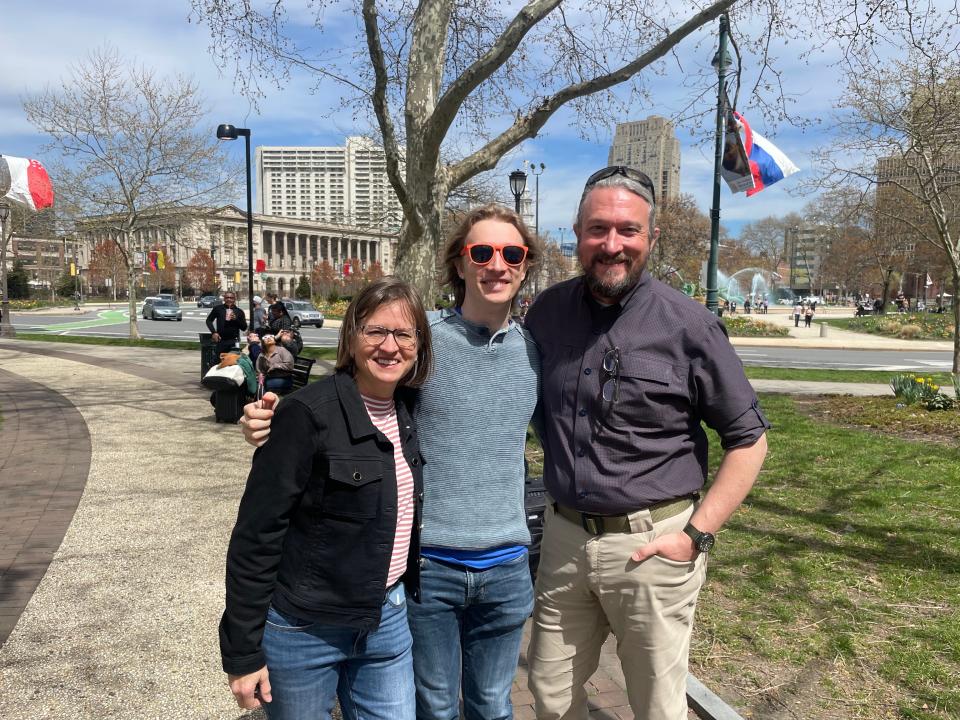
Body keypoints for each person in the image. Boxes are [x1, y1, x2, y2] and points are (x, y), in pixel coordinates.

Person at [241, 204, 545, 720]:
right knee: (435, 706)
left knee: (495, 705)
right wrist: (274, 415)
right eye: (483, 252)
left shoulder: (535, 352)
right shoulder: (419, 339)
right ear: (460, 263)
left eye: (511, 253)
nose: (498, 264)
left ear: (524, 264)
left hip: (509, 565)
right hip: (430, 566)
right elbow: (355, 396)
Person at [523, 165, 769, 720]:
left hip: (653, 546)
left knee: (657, 706)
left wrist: (696, 536)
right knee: (550, 694)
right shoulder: (546, 313)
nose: (612, 245)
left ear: (652, 238)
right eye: (598, 229)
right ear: (578, 232)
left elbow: (749, 440)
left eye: (628, 230)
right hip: (562, 540)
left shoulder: (690, 326)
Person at [220, 277, 433, 719]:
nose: (390, 346)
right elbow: (257, 535)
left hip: (387, 618)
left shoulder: (410, 409)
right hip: (305, 628)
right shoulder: (307, 414)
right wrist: (243, 653)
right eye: (376, 331)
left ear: (419, 344)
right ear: (352, 337)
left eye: (404, 333)